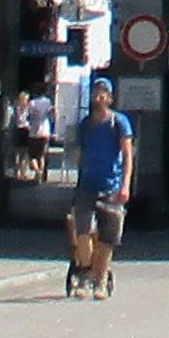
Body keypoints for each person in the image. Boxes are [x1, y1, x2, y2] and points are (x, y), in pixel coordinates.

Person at [65, 71, 135, 299]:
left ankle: (101, 281)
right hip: (87, 185)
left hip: (111, 186)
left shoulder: (119, 123)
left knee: (107, 237)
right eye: (96, 92)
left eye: (103, 93)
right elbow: (77, 152)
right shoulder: (85, 124)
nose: (99, 97)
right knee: (82, 231)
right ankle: (85, 275)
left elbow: (127, 156)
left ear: (110, 98)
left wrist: (125, 186)